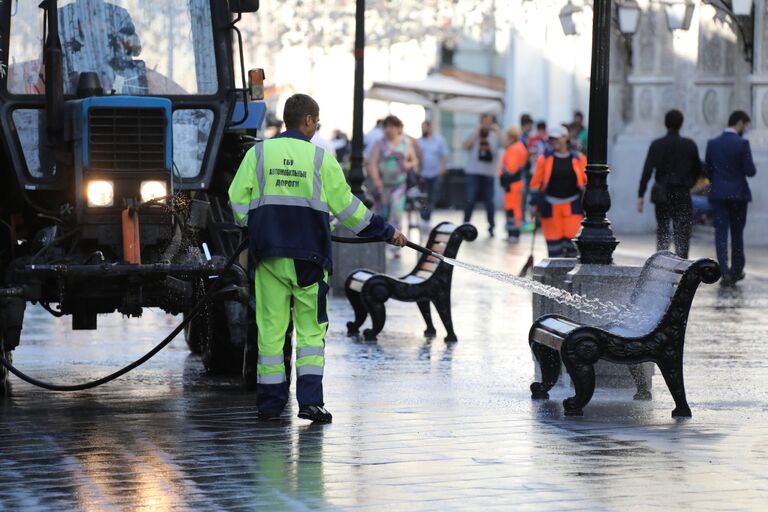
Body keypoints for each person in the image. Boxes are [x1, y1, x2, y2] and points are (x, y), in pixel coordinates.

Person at [228, 94, 407, 423]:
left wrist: (253, 226)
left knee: (270, 330)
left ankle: (269, 404)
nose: (317, 126)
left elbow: (236, 199)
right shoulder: (320, 159)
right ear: (307, 120)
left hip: (269, 256)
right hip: (309, 259)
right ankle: (310, 403)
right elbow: (350, 210)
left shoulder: (259, 153)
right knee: (310, 332)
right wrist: (387, 231)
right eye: (316, 121)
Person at [637, 109, 703, 259]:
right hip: (682, 193)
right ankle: (681, 266)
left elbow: (647, 171)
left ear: (665, 124)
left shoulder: (657, 145)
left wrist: (640, 195)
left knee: (663, 231)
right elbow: (698, 169)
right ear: (681, 124)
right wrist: (690, 183)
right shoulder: (689, 145)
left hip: (662, 194)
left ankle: (662, 263)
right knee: (682, 233)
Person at [705, 110, 757, 287]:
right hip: (738, 195)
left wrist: (717, 183)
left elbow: (708, 169)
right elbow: (750, 171)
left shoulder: (713, 143)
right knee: (737, 233)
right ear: (740, 123)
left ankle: (724, 271)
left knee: (720, 233)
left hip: (719, 194)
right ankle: (736, 270)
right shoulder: (742, 144)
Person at [528, 125, 587, 258]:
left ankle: (570, 278)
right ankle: (554, 279)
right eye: (551, 139)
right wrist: (533, 204)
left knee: (572, 249)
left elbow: (586, 180)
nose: (554, 142)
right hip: (550, 208)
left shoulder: (579, 158)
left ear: (565, 138)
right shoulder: (545, 159)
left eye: (556, 138)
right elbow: (535, 183)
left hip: (573, 208)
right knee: (554, 251)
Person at [367, 115, 419, 252]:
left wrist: (408, 164)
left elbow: (414, 161)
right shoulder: (379, 143)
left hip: (399, 185)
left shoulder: (406, 142)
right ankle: (382, 244)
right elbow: (372, 163)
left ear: (398, 128)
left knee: (396, 213)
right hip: (383, 185)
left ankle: (396, 246)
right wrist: (376, 180)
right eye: (386, 127)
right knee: (383, 214)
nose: (388, 130)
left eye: (391, 126)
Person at [462, 114, 501, 237]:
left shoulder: (495, 135)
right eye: (485, 122)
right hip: (473, 172)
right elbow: (466, 146)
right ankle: (465, 224)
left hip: (489, 173)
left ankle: (491, 226)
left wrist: (498, 131)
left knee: (490, 202)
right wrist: (476, 133)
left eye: (489, 122)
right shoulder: (473, 133)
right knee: (470, 199)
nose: (487, 125)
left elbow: (506, 143)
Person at [418, 120, 449, 227]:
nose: (423, 130)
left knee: (432, 196)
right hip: (423, 174)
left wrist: (442, 168)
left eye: (425, 127)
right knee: (423, 197)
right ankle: (423, 216)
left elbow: (444, 155)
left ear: (430, 128)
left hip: (435, 173)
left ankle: (428, 217)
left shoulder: (439, 140)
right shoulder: (419, 141)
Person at [499, 126, 528, 242]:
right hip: (518, 183)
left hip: (512, 184)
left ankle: (513, 234)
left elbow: (511, 168)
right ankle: (514, 233)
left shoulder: (513, 149)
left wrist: (504, 173)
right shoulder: (521, 147)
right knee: (517, 209)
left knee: (511, 210)